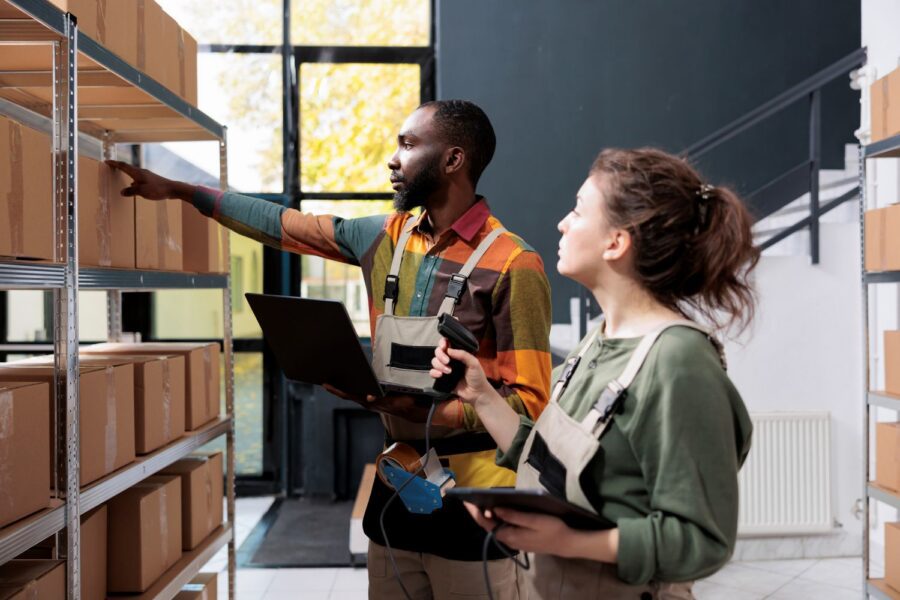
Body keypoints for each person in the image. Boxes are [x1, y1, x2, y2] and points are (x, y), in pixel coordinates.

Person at [108, 99, 552, 600]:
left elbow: (530, 405)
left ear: (453, 160)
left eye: (408, 145)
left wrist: (436, 413)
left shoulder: (515, 263)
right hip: (398, 492)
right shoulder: (384, 237)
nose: (393, 158)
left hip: (476, 505)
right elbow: (282, 225)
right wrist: (183, 192)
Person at [431, 148, 757, 599]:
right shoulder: (597, 340)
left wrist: (566, 541)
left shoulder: (678, 363)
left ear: (616, 242)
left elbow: (703, 541)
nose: (563, 223)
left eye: (579, 210)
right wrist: (482, 395)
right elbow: (543, 461)